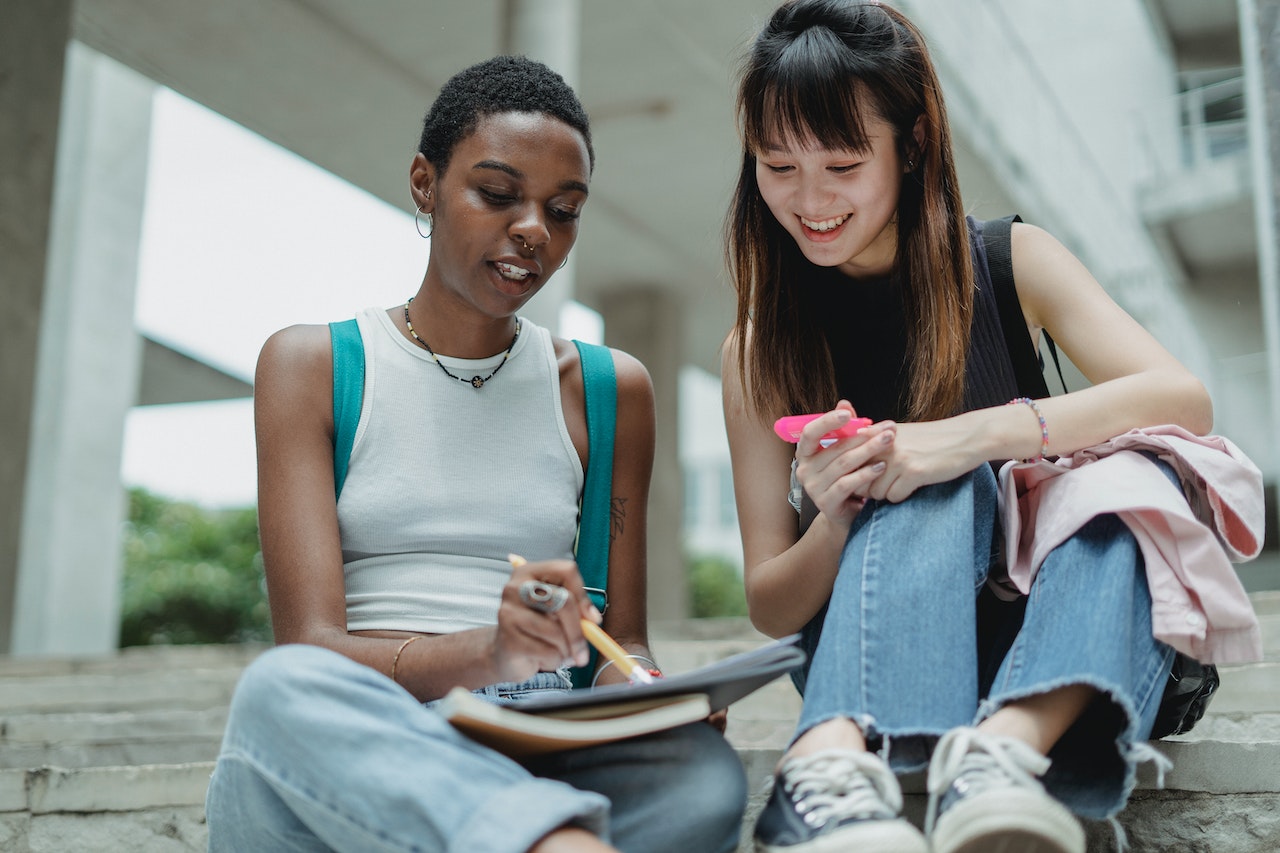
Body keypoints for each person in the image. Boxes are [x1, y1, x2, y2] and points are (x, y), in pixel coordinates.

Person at [719, 3, 1232, 853]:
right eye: (779, 166)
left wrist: (969, 436)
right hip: (883, 653)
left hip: (1076, 649)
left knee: (1125, 478)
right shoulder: (758, 346)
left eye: (843, 164)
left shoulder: (1007, 262)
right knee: (916, 476)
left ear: (912, 145)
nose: (809, 200)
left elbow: (1183, 398)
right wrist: (840, 514)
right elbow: (772, 603)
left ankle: (999, 761)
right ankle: (826, 766)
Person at [205, 55, 746, 853]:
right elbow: (312, 646)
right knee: (279, 691)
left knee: (702, 772)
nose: (533, 228)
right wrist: (488, 652)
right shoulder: (312, 367)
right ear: (424, 183)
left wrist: (645, 687)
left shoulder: (608, 390)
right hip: (362, 737)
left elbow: (618, 638)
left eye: (563, 210)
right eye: (497, 195)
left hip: (540, 735)